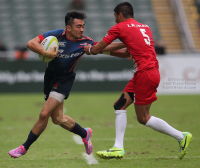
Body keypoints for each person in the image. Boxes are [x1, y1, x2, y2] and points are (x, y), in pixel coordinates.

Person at [8, 11, 124, 158]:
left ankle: (23, 148)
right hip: (49, 78)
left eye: (83, 26)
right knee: (57, 119)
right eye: (78, 26)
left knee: (44, 113)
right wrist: (47, 53)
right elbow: (30, 43)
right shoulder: (56, 35)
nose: (82, 29)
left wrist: (125, 44)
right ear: (68, 28)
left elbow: (102, 48)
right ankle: (85, 133)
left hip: (64, 80)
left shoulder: (85, 42)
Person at [84, 2, 192, 160]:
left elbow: (94, 49)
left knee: (143, 118)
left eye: (115, 17)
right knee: (119, 105)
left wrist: (91, 49)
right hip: (148, 72)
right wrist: (100, 50)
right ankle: (118, 148)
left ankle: (181, 137)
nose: (115, 21)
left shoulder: (119, 27)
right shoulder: (145, 27)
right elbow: (126, 52)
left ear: (120, 15)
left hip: (145, 74)